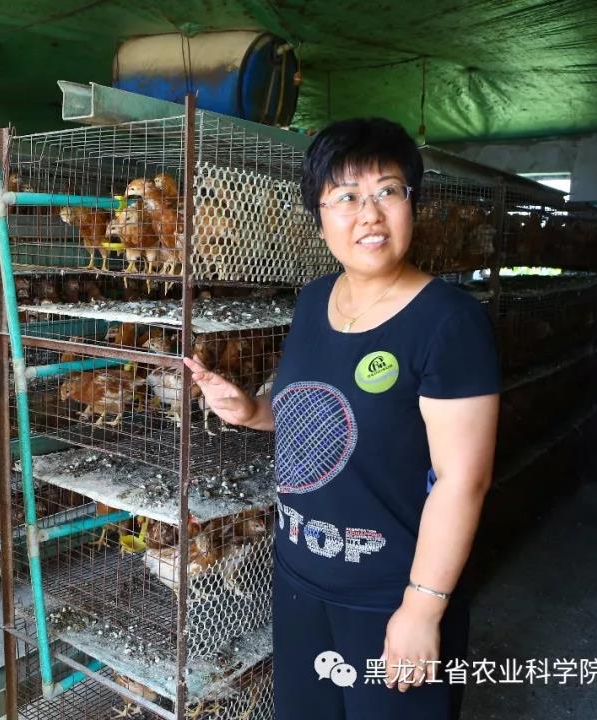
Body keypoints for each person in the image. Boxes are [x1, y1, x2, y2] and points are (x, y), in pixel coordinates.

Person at [185, 118, 500, 719]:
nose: (370, 214)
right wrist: (252, 411)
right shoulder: (313, 301)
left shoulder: (449, 322)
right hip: (299, 576)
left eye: (388, 191)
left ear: (413, 203)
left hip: (389, 593)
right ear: (320, 216)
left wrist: (422, 608)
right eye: (347, 197)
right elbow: (319, 418)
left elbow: (464, 479)